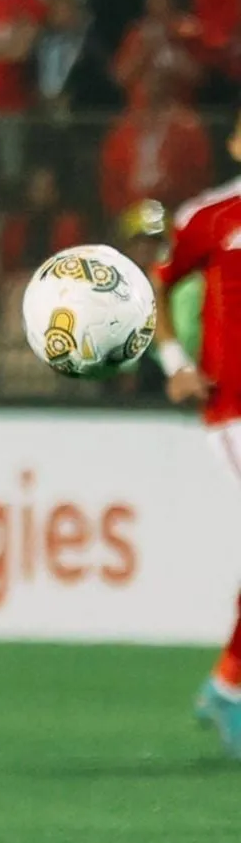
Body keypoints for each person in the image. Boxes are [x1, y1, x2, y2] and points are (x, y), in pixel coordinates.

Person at [143, 115, 241, 755]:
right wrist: (176, 366)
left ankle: (227, 683)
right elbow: (153, 287)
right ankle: (229, 686)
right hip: (235, 408)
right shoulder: (210, 215)